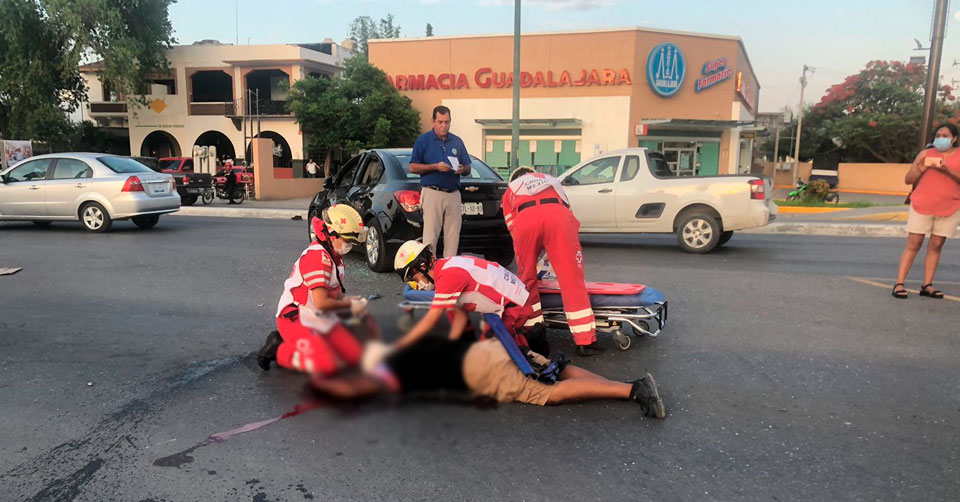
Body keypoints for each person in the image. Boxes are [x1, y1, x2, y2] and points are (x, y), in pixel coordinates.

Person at [309, 336, 666, 418]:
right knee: (550, 367)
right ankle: (623, 386)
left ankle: (632, 390)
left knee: (547, 392)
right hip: (490, 349)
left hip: (483, 371)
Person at [257, 204, 372, 375]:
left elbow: (334, 293)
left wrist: (349, 304)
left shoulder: (335, 256)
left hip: (317, 316)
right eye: (347, 240)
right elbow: (321, 302)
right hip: (295, 318)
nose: (350, 245)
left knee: (354, 355)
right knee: (327, 364)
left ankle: (314, 343)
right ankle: (280, 348)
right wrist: (349, 305)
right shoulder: (317, 257)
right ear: (331, 234)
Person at [502, 167, 603, 357]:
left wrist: (531, 257)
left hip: (526, 220)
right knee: (571, 280)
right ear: (533, 173)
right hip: (559, 217)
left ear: (515, 178)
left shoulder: (511, 189)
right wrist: (558, 250)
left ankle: (534, 333)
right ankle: (585, 341)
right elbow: (570, 217)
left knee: (526, 280)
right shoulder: (551, 180)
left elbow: (514, 229)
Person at [392, 240, 538, 351]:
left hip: (514, 308)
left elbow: (430, 321)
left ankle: (528, 355)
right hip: (510, 302)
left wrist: (399, 346)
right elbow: (460, 317)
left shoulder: (448, 277)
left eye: (415, 278)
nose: (418, 284)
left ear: (421, 267)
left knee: (489, 359)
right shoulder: (447, 265)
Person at [893, 123, 960, 299]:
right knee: (914, 243)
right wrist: (921, 169)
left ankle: (927, 285)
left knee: (936, 245)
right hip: (921, 205)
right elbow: (908, 179)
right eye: (938, 135)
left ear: (954, 139)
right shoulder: (925, 154)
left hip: (949, 207)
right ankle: (899, 283)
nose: (941, 139)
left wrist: (947, 170)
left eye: (945, 136)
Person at [409, 106, 472, 258]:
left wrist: (462, 169)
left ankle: (449, 267)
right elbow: (412, 167)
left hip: (453, 193)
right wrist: (435, 167)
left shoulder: (457, 141)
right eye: (440, 122)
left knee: (453, 236)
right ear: (433, 121)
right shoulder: (423, 140)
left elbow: (468, 167)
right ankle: (430, 268)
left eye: (447, 122)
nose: (444, 126)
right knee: (430, 236)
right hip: (432, 192)